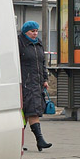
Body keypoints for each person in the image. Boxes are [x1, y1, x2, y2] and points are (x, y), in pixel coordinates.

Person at [18, 21, 52, 150]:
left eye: (36, 31)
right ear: (25, 32)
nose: (35, 33)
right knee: (30, 111)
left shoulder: (38, 43)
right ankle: (39, 140)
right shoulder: (20, 43)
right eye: (32, 31)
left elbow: (42, 63)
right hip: (25, 82)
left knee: (29, 112)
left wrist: (45, 79)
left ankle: (20, 143)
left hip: (36, 83)